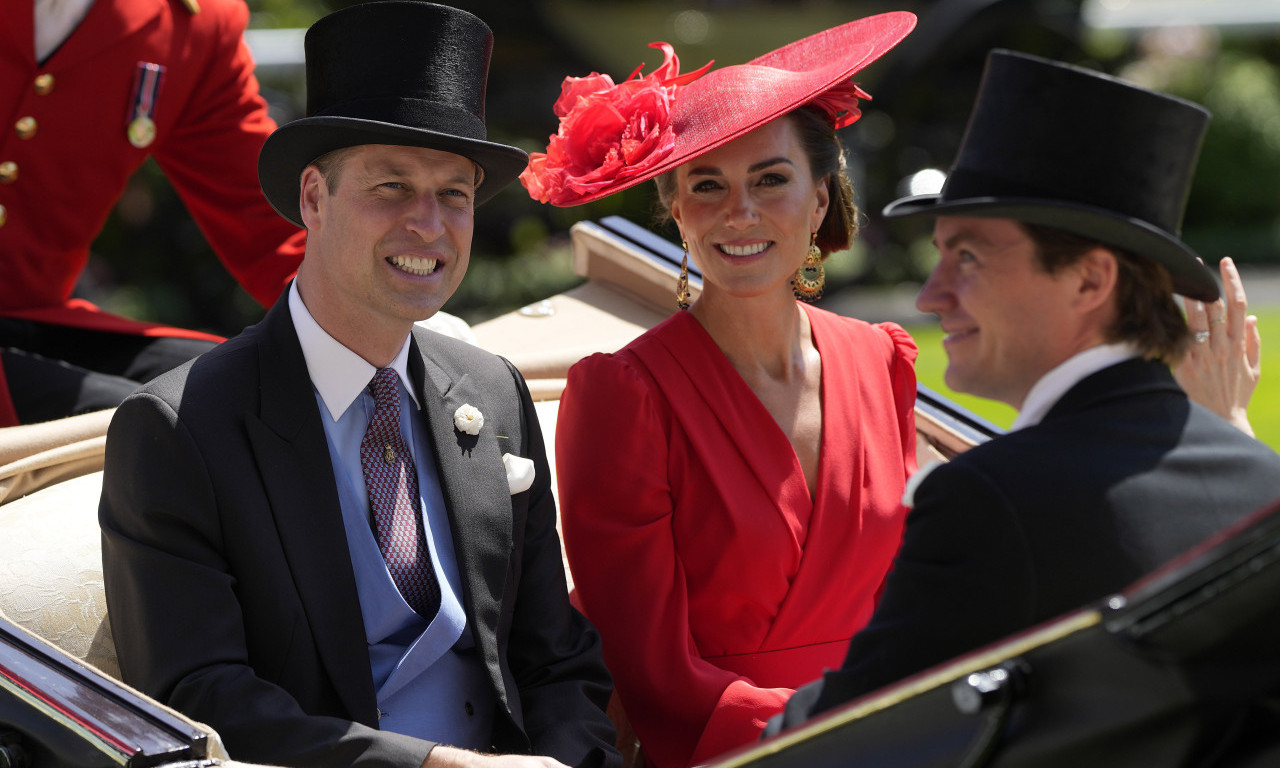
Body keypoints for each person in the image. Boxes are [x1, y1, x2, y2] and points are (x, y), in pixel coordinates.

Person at [99, 4, 619, 767]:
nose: (429, 225)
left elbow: (558, 660)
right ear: (314, 197)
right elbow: (199, 698)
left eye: (454, 194)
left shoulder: (492, 389)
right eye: (392, 186)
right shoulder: (179, 428)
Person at [769, 49, 1280, 732]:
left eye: (968, 257)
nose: (931, 296)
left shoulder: (990, 498)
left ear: (1090, 280)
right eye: (940, 255)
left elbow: (841, 735)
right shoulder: (1262, 481)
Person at [520, 13, 919, 767]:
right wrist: (827, 733)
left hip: (889, 736)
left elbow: (909, 597)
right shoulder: (623, 394)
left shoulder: (882, 358)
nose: (740, 212)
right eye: (708, 185)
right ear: (676, 209)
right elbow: (648, 667)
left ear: (820, 199)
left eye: (771, 179)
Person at [0, 0, 306, 426]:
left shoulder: (192, 24)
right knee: (150, 424)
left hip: (27, 320)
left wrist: (382, 332)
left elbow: (271, 221)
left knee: (258, 394)